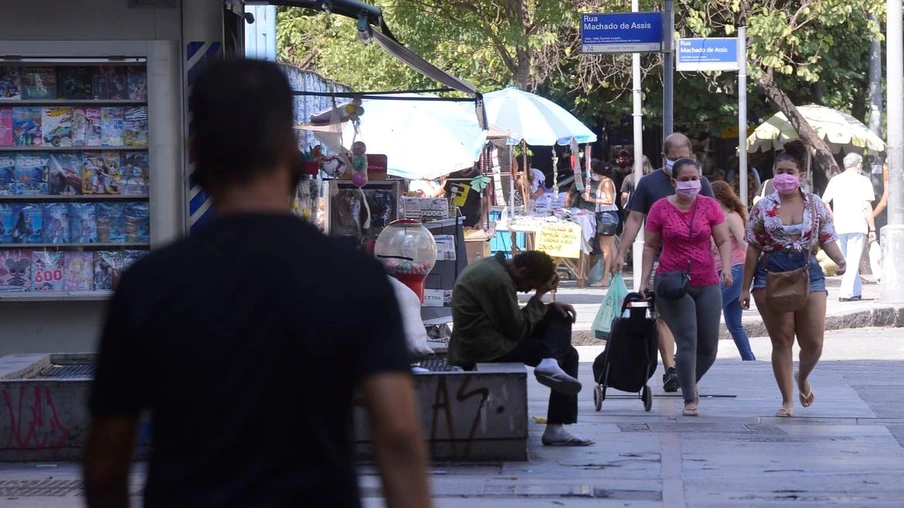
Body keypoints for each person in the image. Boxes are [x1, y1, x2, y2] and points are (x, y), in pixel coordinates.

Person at [82, 59, 432, 508]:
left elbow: (106, 459)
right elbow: (399, 437)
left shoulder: (147, 284)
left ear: (195, 152)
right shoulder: (356, 278)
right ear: (291, 148)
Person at [741, 140, 847, 417]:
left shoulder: (815, 205)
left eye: (790, 171)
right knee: (782, 338)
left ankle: (802, 377)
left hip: (808, 272)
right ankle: (787, 400)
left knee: (813, 342)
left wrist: (840, 260)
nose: (784, 177)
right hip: (770, 273)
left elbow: (827, 238)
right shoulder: (762, 207)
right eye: (779, 171)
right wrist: (744, 288)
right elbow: (752, 247)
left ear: (800, 176)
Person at [448, 250, 594, 447]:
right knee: (568, 355)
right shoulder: (498, 280)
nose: (526, 291)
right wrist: (539, 296)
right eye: (530, 286)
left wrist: (545, 307)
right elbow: (517, 330)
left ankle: (550, 363)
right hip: (484, 348)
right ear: (523, 271)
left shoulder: (493, 267)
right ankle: (550, 368)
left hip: (494, 336)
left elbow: (513, 321)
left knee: (560, 318)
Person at [612, 132, 716, 393]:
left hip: (699, 266)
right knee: (664, 317)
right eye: (673, 158)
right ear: (663, 158)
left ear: (692, 155)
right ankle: (671, 367)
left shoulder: (699, 182)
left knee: (697, 337)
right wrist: (620, 252)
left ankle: (684, 374)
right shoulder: (648, 183)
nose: (679, 162)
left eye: (683, 157)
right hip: (664, 261)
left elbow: (715, 219)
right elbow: (635, 219)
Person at [639, 159, 734, 416]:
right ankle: (690, 399)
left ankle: (683, 380)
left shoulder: (709, 205)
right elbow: (649, 246)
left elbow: (723, 239)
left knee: (709, 348)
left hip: (707, 280)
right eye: (685, 179)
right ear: (674, 182)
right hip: (672, 281)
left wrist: (726, 268)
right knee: (688, 339)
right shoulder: (660, 209)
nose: (691, 184)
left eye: (695, 179)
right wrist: (643, 281)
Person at [821, 153, 876, 301]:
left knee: (848, 259)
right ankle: (845, 293)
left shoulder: (835, 180)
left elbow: (824, 201)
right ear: (858, 165)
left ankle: (856, 291)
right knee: (852, 260)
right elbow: (866, 206)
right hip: (858, 224)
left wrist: (833, 217)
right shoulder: (863, 181)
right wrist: (872, 229)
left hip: (840, 225)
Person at [711, 181, 756, 361]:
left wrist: (757, 266)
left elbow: (745, 243)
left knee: (710, 312)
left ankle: (700, 355)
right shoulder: (714, 217)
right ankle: (749, 359)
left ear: (719, 197)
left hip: (736, 270)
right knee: (734, 324)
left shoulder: (731, 216)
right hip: (721, 271)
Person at [583, 159, 619, 284]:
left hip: (607, 215)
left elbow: (609, 201)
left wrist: (592, 200)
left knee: (606, 248)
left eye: (591, 172)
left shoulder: (606, 182)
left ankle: (605, 279)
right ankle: (615, 276)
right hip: (605, 215)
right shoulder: (604, 182)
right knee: (611, 248)